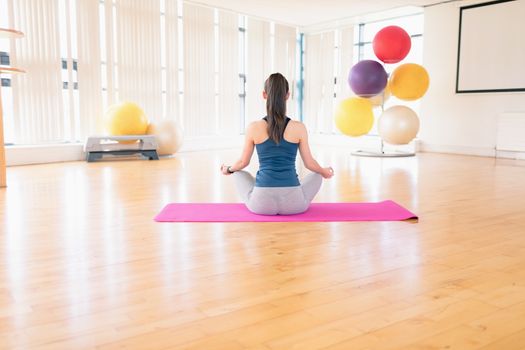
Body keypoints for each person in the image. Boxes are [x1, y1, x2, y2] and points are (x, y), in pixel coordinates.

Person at [221, 73, 334, 215]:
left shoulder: (253, 127)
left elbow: (243, 162)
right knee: (318, 174)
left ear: (264, 95)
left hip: (261, 205)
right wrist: (324, 172)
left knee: (237, 172)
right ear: (287, 95)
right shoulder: (299, 127)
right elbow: (309, 163)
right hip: (294, 205)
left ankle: (260, 186)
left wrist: (228, 169)